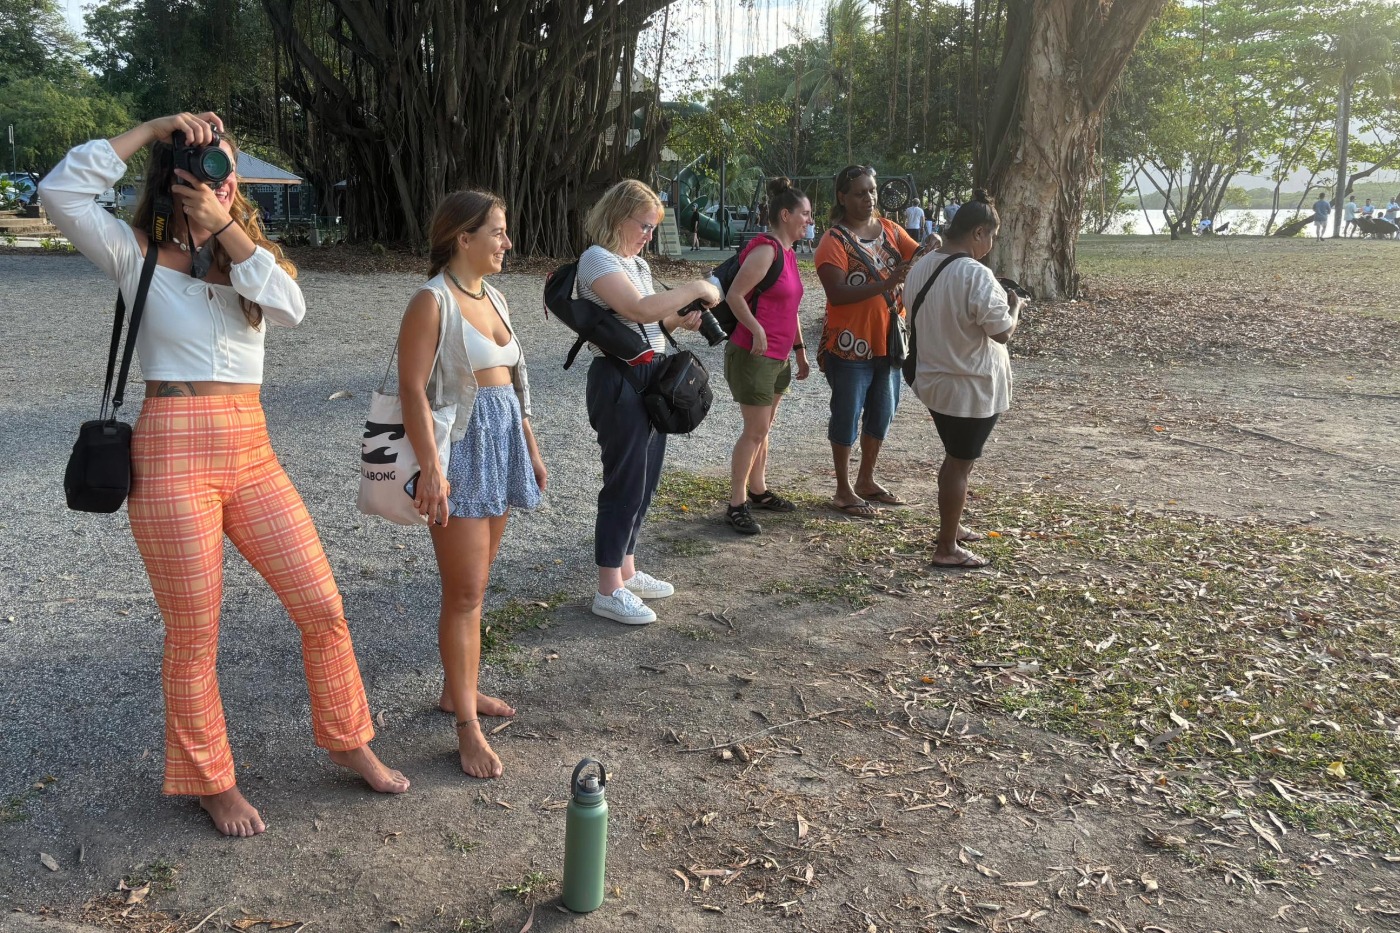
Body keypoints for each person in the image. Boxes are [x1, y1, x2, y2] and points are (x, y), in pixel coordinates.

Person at [39, 111, 408, 837]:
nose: (221, 178)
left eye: (227, 169)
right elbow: (60, 191)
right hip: (171, 448)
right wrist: (150, 130)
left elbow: (293, 309)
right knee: (194, 633)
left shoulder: (252, 260)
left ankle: (347, 737)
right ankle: (211, 780)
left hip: (251, 447)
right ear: (172, 180)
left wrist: (225, 228)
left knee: (322, 605)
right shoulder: (132, 252)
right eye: (207, 168)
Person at [397, 191, 545, 779]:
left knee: (477, 588)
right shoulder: (431, 302)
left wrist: (531, 451)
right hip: (459, 451)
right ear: (464, 237)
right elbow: (412, 390)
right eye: (498, 233)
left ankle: (457, 690)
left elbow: (517, 383)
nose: (507, 243)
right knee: (463, 593)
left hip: (501, 445)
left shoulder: (497, 297)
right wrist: (432, 466)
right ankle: (466, 726)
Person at [579, 180, 720, 624]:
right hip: (618, 377)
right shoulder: (596, 259)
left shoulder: (634, 262)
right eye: (644, 225)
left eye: (653, 227)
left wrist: (683, 318)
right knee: (623, 483)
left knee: (645, 479)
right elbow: (639, 309)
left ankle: (627, 568)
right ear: (617, 216)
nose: (649, 235)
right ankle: (608, 588)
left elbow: (653, 320)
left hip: (650, 374)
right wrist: (697, 284)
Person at [905, 190, 1021, 569]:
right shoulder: (975, 273)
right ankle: (946, 548)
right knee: (958, 464)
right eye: (992, 237)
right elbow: (1001, 331)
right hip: (970, 387)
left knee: (956, 461)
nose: (991, 246)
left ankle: (950, 530)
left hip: (935, 380)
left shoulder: (922, 265)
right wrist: (1015, 305)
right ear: (979, 233)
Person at [815, 165, 921, 517]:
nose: (869, 198)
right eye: (860, 192)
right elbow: (838, 293)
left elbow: (918, 258)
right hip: (850, 346)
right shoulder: (833, 240)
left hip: (888, 342)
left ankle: (866, 480)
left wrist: (934, 247)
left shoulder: (891, 230)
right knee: (846, 414)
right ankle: (843, 489)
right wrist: (887, 283)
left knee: (883, 413)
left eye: (872, 191)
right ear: (842, 197)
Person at [722, 177, 812, 535]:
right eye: (805, 214)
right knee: (755, 430)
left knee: (765, 429)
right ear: (786, 215)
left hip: (779, 356)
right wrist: (757, 329)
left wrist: (800, 351)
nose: (809, 220)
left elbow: (790, 309)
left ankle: (758, 490)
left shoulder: (788, 253)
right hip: (753, 354)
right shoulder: (766, 251)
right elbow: (734, 296)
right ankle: (736, 503)